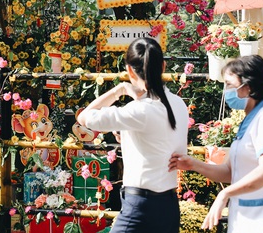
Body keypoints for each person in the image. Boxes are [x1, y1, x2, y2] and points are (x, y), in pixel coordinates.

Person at [168, 55, 263, 233]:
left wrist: (225, 193)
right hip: (247, 220)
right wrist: (193, 164)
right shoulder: (249, 121)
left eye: (229, 84)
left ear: (248, 87)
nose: (225, 91)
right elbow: (231, 172)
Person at [77, 37, 189, 233]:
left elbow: (84, 117)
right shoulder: (179, 104)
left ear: (129, 70)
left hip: (140, 206)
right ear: (163, 66)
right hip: (168, 205)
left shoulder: (138, 110)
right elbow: (160, 142)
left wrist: (119, 90)